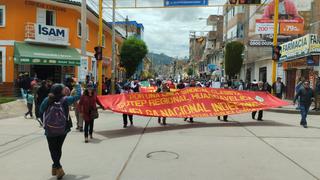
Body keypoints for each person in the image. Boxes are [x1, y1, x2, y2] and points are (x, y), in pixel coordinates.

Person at [40, 82, 81, 179]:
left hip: (49, 130)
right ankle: (57, 167)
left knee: (52, 149)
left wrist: (45, 121)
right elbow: (78, 96)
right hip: (63, 129)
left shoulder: (47, 100)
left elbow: (41, 110)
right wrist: (77, 85)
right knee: (58, 148)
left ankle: (57, 167)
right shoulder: (65, 100)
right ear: (60, 91)